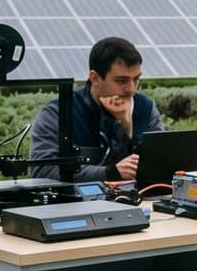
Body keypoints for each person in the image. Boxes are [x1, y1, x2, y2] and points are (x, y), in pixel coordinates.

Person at [29, 36, 164, 182]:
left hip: (137, 201)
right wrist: (109, 173)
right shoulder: (58, 114)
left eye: (136, 79)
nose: (131, 89)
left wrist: (127, 127)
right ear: (95, 78)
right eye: (121, 81)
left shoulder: (146, 108)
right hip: (76, 203)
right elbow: (42, 170)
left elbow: (160, 164)